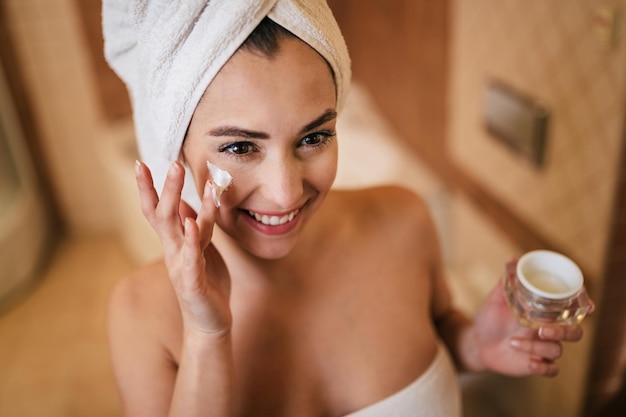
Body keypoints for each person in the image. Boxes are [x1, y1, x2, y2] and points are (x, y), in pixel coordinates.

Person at [102, 1, 588, 416]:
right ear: (177, 151)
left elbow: (439, 327)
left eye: (313, 137)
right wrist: (207, 336)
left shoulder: (404, 220)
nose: (285, 193)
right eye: (240, 148)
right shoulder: (140, 316)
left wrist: (474, 346)